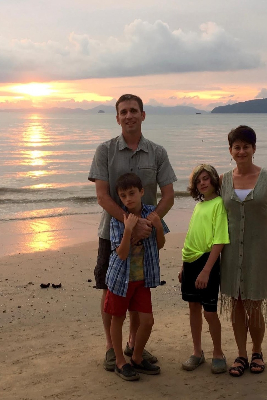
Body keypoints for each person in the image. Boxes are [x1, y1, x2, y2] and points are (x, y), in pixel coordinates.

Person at [88, 94, 177, 372]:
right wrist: (130, 222)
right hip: (112, 232)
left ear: (143, 115)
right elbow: (102, 196)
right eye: (124, 112)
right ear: (117, 118)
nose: (129, 116)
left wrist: (148, 223)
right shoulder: (105, 151)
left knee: (139, 288)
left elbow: (169, 195)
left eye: (134, 110)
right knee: (110, 289)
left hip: (147, 234)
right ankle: (110, 347)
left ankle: (132, 343)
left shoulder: (157, 152)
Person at [220, 125, 267, 377]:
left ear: (254, 149)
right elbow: (212, 217)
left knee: (254, 305)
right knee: (237, 304)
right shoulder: (223, 180)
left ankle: (257, 352)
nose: (241, 151)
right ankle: (241, 354)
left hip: (259, 250)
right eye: (237, 147)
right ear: (230, 150)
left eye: (246, 147)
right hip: (230, 252)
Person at [105, 173, 168, 381]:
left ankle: (137, 357)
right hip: (120, 279)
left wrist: (158, 226)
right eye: (123, 196)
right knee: (118, 318)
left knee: (147, 321)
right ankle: (120, 361)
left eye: (131, 193)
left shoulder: (151, 213)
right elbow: (121, 254)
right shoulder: (118, 219)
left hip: (142, 278)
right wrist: (128, 230)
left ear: (141, 192)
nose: (128, 199)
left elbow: (160, 244)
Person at [179, 164, 230, 374]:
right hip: (190, 261)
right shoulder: (198, 206)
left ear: (214, 180)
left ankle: (218, 353)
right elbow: (191, 236)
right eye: (199, 180)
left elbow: (220, 239)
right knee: (193, 308)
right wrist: (183, 266)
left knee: (209, 311)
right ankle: (197, 352)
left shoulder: (219, 204)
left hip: (207, 262)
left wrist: (207, 270)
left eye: (206, 178)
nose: (202, 183)